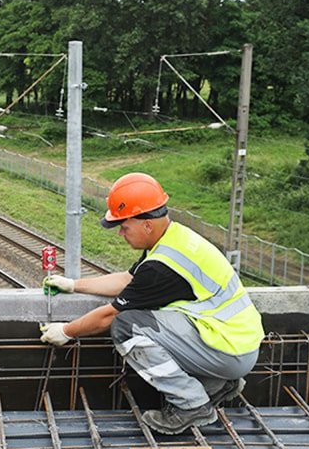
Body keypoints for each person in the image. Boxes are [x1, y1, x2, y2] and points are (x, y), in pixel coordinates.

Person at [40, 172, 264, 434]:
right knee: (148, 319)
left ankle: (192, 405)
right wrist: (74, 284)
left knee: (127, 326)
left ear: (146, 224)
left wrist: (66, 331)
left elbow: (108, 317)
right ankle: (216, 385)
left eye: (124, 227)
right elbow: (128, 280)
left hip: (227, 351)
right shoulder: (173, 238)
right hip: (235, 341)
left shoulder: (161, 268)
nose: (121, 234)